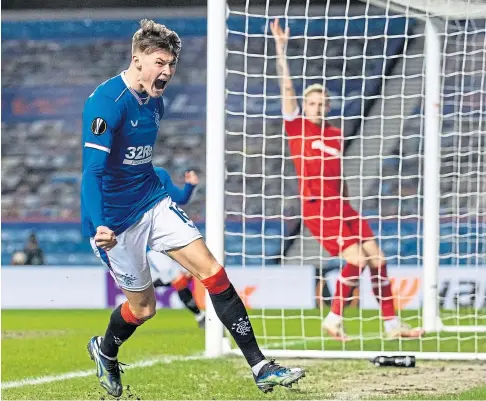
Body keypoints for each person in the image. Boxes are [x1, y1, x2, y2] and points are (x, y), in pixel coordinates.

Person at [81, 19, 305, 397]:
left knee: (213, 272)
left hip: (153, 201)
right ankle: (106, 350)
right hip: (116, 223)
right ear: (137, 59)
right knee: (144, 309)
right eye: (159, 62)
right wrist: (101, 224)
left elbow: (139, 159)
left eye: (171, 64)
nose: (166, 71)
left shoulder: (155, 103)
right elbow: (92, 172)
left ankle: (261, 366)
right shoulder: (106, 103)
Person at [270, 19, 424, 341]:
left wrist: (348, 203)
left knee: (378, 260)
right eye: (311, 103)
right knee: (356, 259)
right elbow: (287, 89)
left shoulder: (336, 135)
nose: (315, 107)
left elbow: (339, 177)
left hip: (343, 206)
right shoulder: (298, 129)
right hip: (318, 208)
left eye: (321, 103)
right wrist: (281, 49)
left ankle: (393, 325)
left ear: (328, 106)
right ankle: (334, 318)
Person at [149, 167, 205, 328]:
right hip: (150, 244)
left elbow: (180, 198)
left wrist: (190, 186)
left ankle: (200, 316)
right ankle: (200, 316)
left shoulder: (160, 173)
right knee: (177, 279)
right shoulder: (123, 176)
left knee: (179, 279)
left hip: (170, 237)